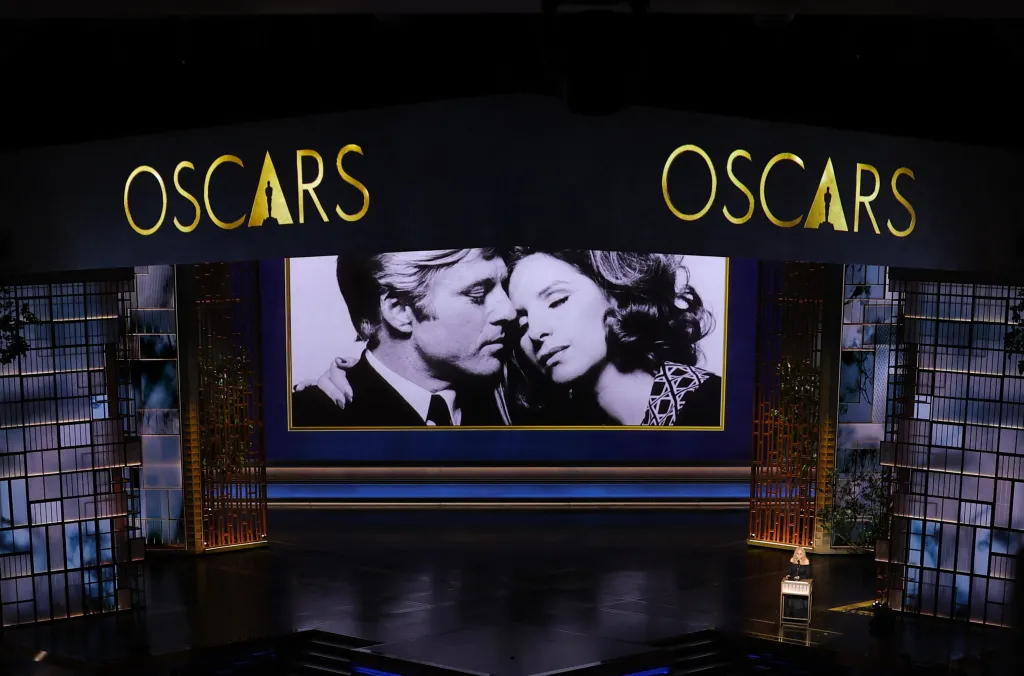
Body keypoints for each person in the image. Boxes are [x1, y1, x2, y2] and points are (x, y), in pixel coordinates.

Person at [298, 248, 722, 427]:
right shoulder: (319, 410)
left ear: (614, 296)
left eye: (556, 300)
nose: (512, 321)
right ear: (398, 311)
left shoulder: (500, 404)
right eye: (479, 294)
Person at [290, 248, 516, 428]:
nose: (509, 311)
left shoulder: (509, 403)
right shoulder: (308, 421)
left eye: (503, 288)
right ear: (399, 310)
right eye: (477, 294)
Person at [504, 248, 721, 426]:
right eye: (522, 323)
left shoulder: (714, 405)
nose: (534, 332)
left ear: (615, 292)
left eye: (557, 301)